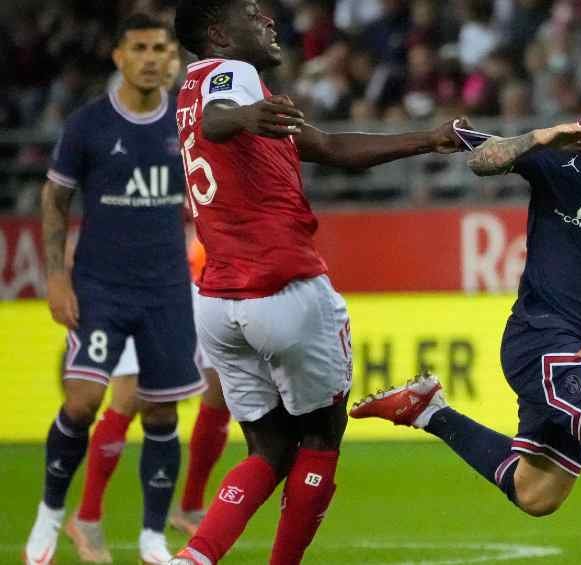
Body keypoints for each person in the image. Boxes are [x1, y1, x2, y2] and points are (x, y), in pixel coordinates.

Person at [353, 74, 581, 565]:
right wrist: (537, 138)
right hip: (539, 338)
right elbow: (479, 160)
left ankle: (429, 410)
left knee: (536, 494)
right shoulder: (569, 151)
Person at [168, 1, 466, 563]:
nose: (269, 20)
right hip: (283, 287)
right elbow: (219, 118)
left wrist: (429, 139)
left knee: (269, 448)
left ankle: (195, 557)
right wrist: (241, 116)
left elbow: (329, 148)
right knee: (320, 439)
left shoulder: (191, 91)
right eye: (251, 13)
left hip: (220, 303)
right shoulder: (232, 78)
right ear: (216, 33)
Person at [25, 14, 205, 565]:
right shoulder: (89, 125)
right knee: (81, 402)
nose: (151, 57)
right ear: (119, 56)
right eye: (140, 48)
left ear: (171, 56)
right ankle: (49, 518)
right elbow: (55, 200)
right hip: (101, 287)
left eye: (160, 47)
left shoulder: (185, 122)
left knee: (160, 412)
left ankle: (152, 535)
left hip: (168, 289)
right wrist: (56, 276)